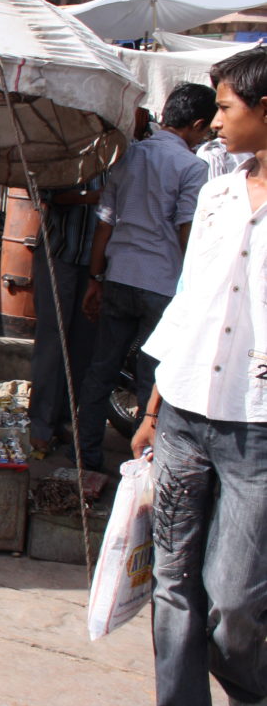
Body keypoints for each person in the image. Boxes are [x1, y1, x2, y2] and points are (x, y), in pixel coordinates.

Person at [120, 45, 267, 706]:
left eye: (229, 109)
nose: (215, 123)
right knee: (173, 579)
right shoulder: (214, 193)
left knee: (235, 598)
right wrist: (151, 409)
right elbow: (190, 306)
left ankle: (249, 679)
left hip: (257, 427)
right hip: (183, 412)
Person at [73, 84, 215, 471]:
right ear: (198, 124)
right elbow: (187, 231)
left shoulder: (130, 157)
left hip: (119, 277)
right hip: (163, 285)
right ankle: (142, 466)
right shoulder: (192, 167)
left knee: (101, 369)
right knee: (152, 380)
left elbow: (104, 224)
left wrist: (95, 278)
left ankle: (85, 456)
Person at [26, 183, 100, 457]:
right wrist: (92, 197)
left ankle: (62, 420)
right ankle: (40, 425)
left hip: (97, 261)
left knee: (83, 345)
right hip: (60, 253)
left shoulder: (121, 157)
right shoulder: (73, 154)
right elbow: (44, 193)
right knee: (52, 343)